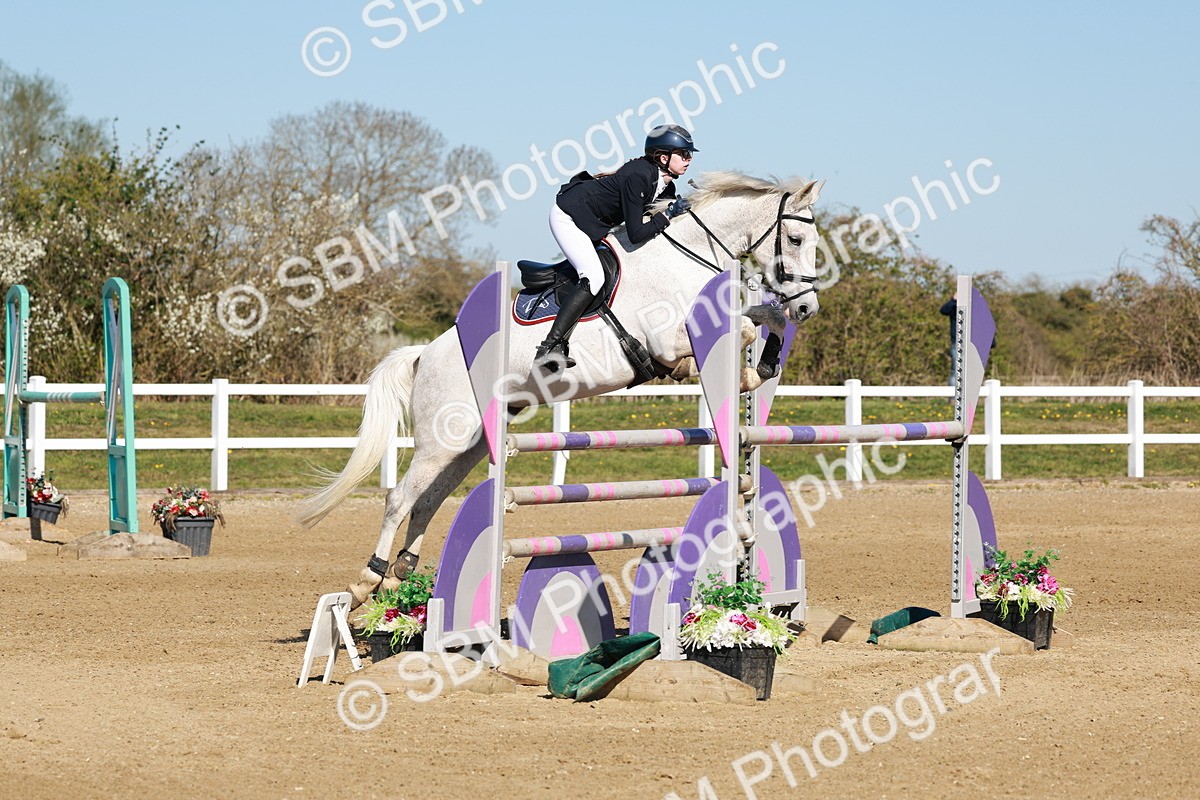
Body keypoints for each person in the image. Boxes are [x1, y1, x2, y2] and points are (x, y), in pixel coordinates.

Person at [534, 124, 698, 372]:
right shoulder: (638, 176)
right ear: (663, 157)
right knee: (594, 276)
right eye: (683, 154)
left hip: (593, 224)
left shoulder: (667, 187)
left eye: (689, 154)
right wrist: (667, 215)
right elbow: (636, 233)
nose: (689, 159)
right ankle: (550, 348)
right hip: (569, 216)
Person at [940, 292, 958, 387]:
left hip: (971, 344)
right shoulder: (954, 306)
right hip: (956, 343)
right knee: (955, 371)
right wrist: (953, 300)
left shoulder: (974, 307)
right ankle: (952, 394)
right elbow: (943, 310)